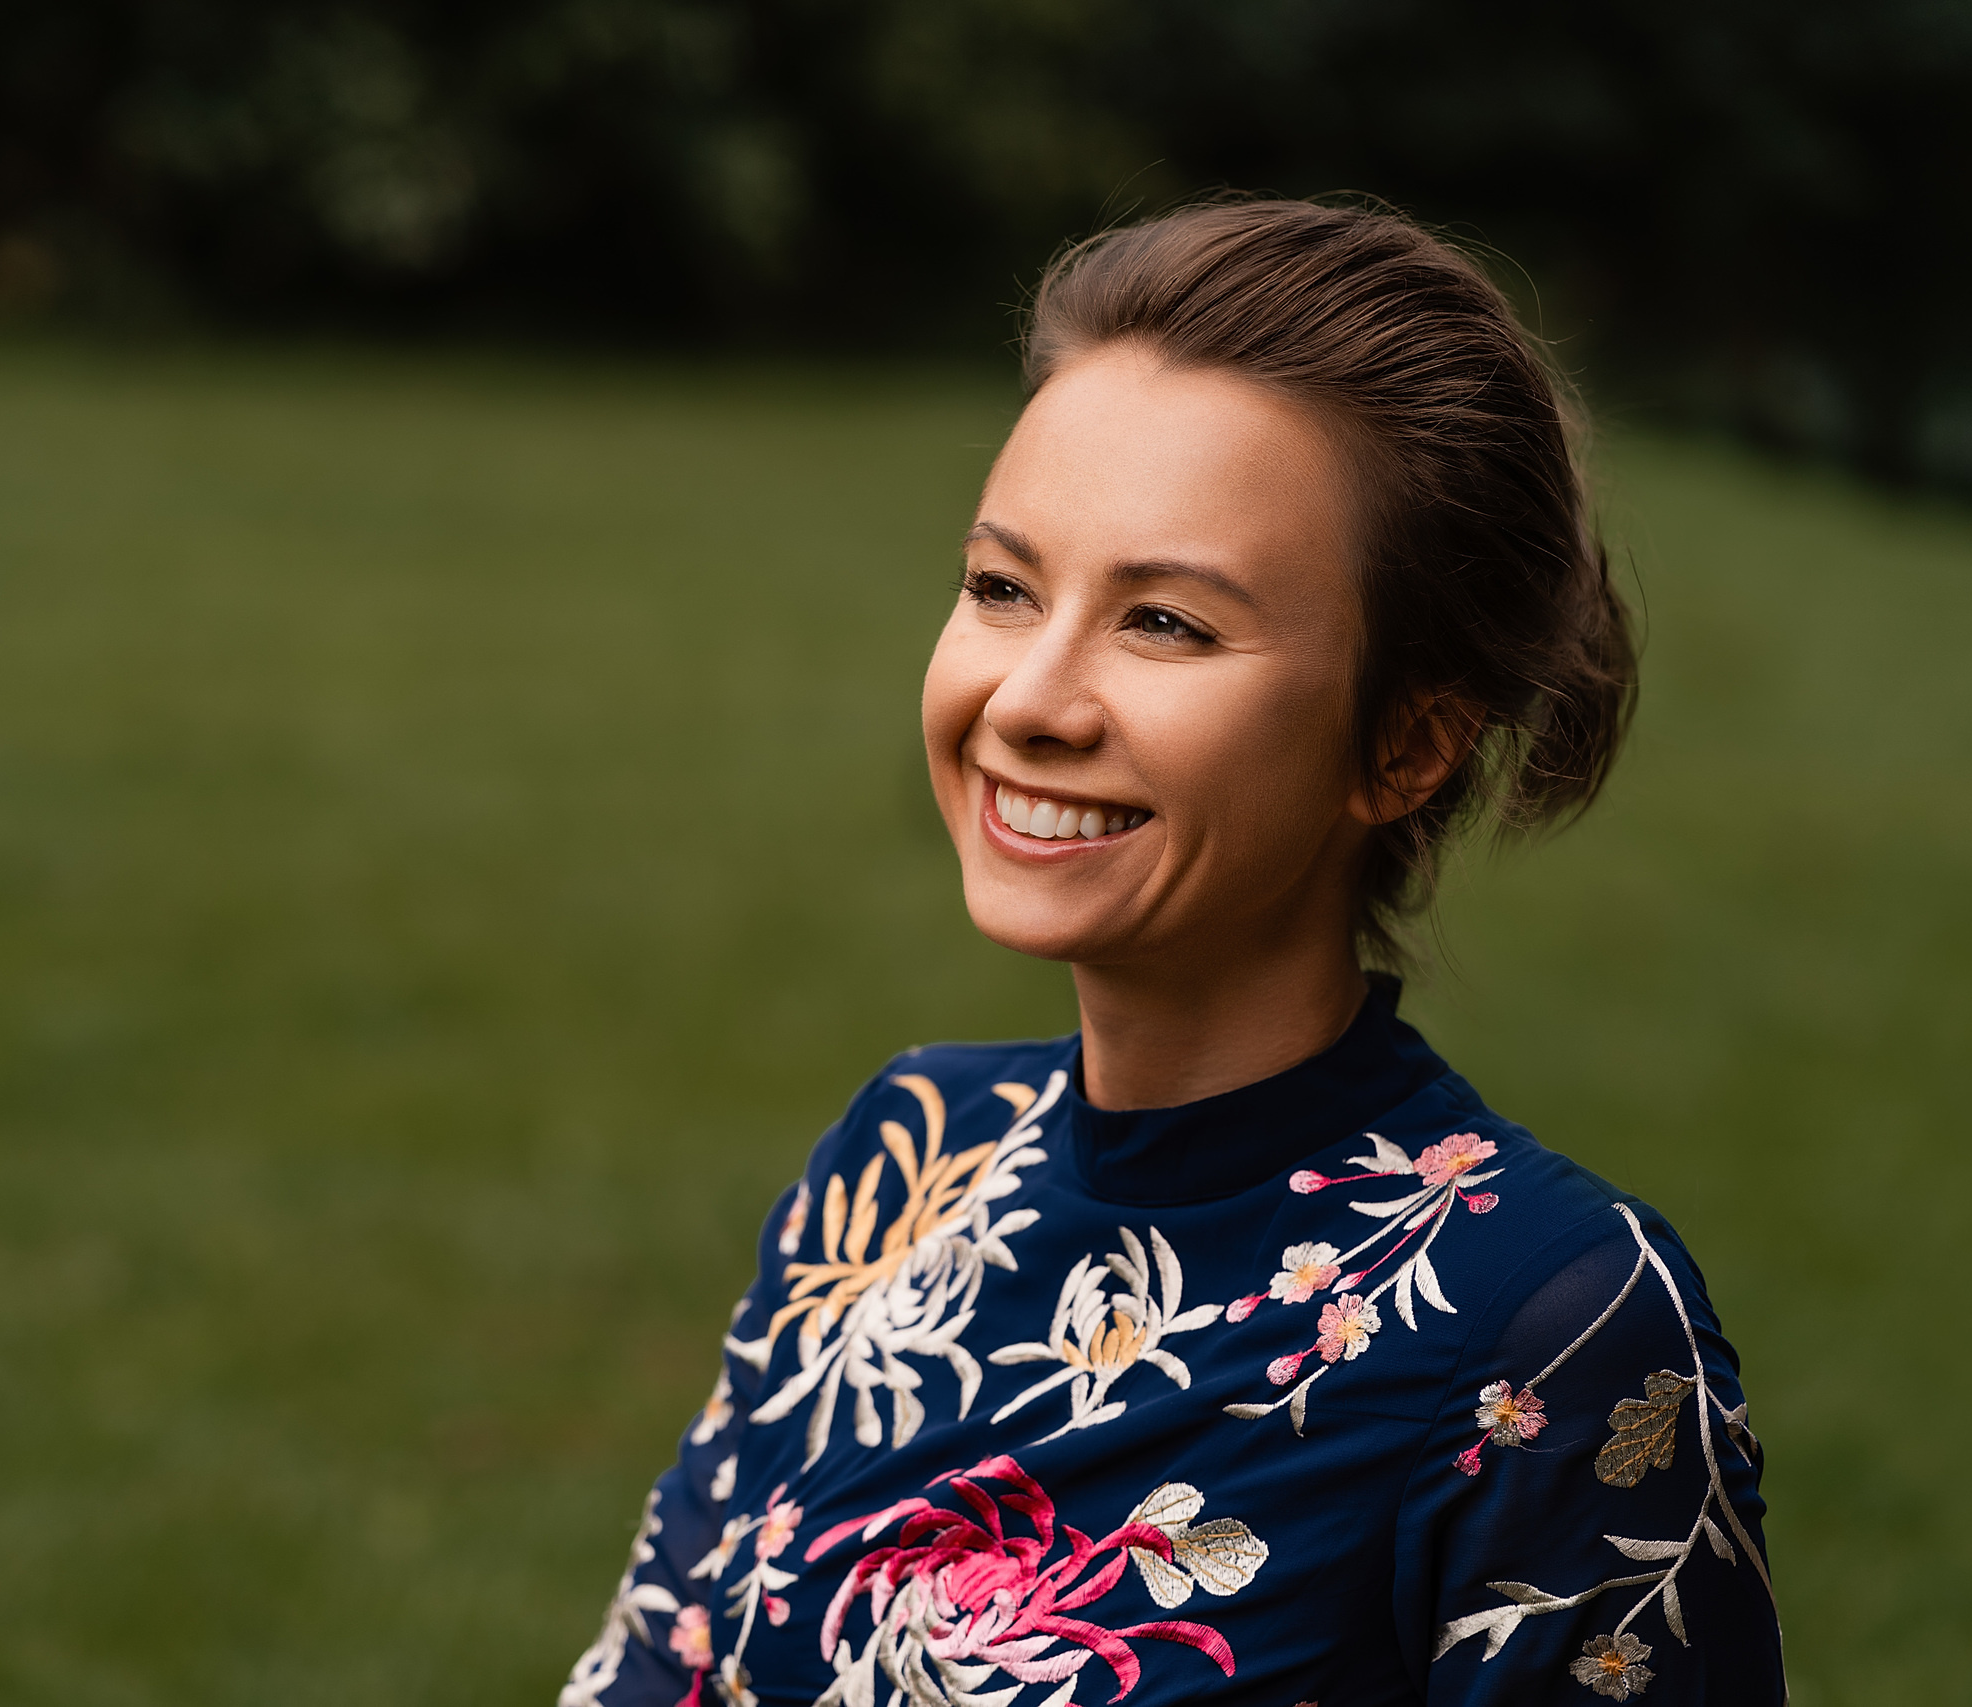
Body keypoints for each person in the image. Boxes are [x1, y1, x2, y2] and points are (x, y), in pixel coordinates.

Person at [560, 200, 1783, 1707]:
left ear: (1404, 747)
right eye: (1003, 587)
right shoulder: (901, 1158)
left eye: (1164, 623)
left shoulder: (1555, 1326)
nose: (1032, 698)